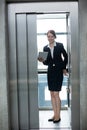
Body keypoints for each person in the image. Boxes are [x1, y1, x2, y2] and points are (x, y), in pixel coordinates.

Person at [38, 30, 68, 123]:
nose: (50, 38)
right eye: (48, 36)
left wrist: (63, 68)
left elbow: (66, 56)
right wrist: (42, 60)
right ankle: (55, 114)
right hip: (50, 71)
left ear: (54, 37)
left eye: (51, 36)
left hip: (58, 71)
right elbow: (46, 62)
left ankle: (58, 116)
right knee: (51, 93)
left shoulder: (60, 45)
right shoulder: (45, 48)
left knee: (56, 94)